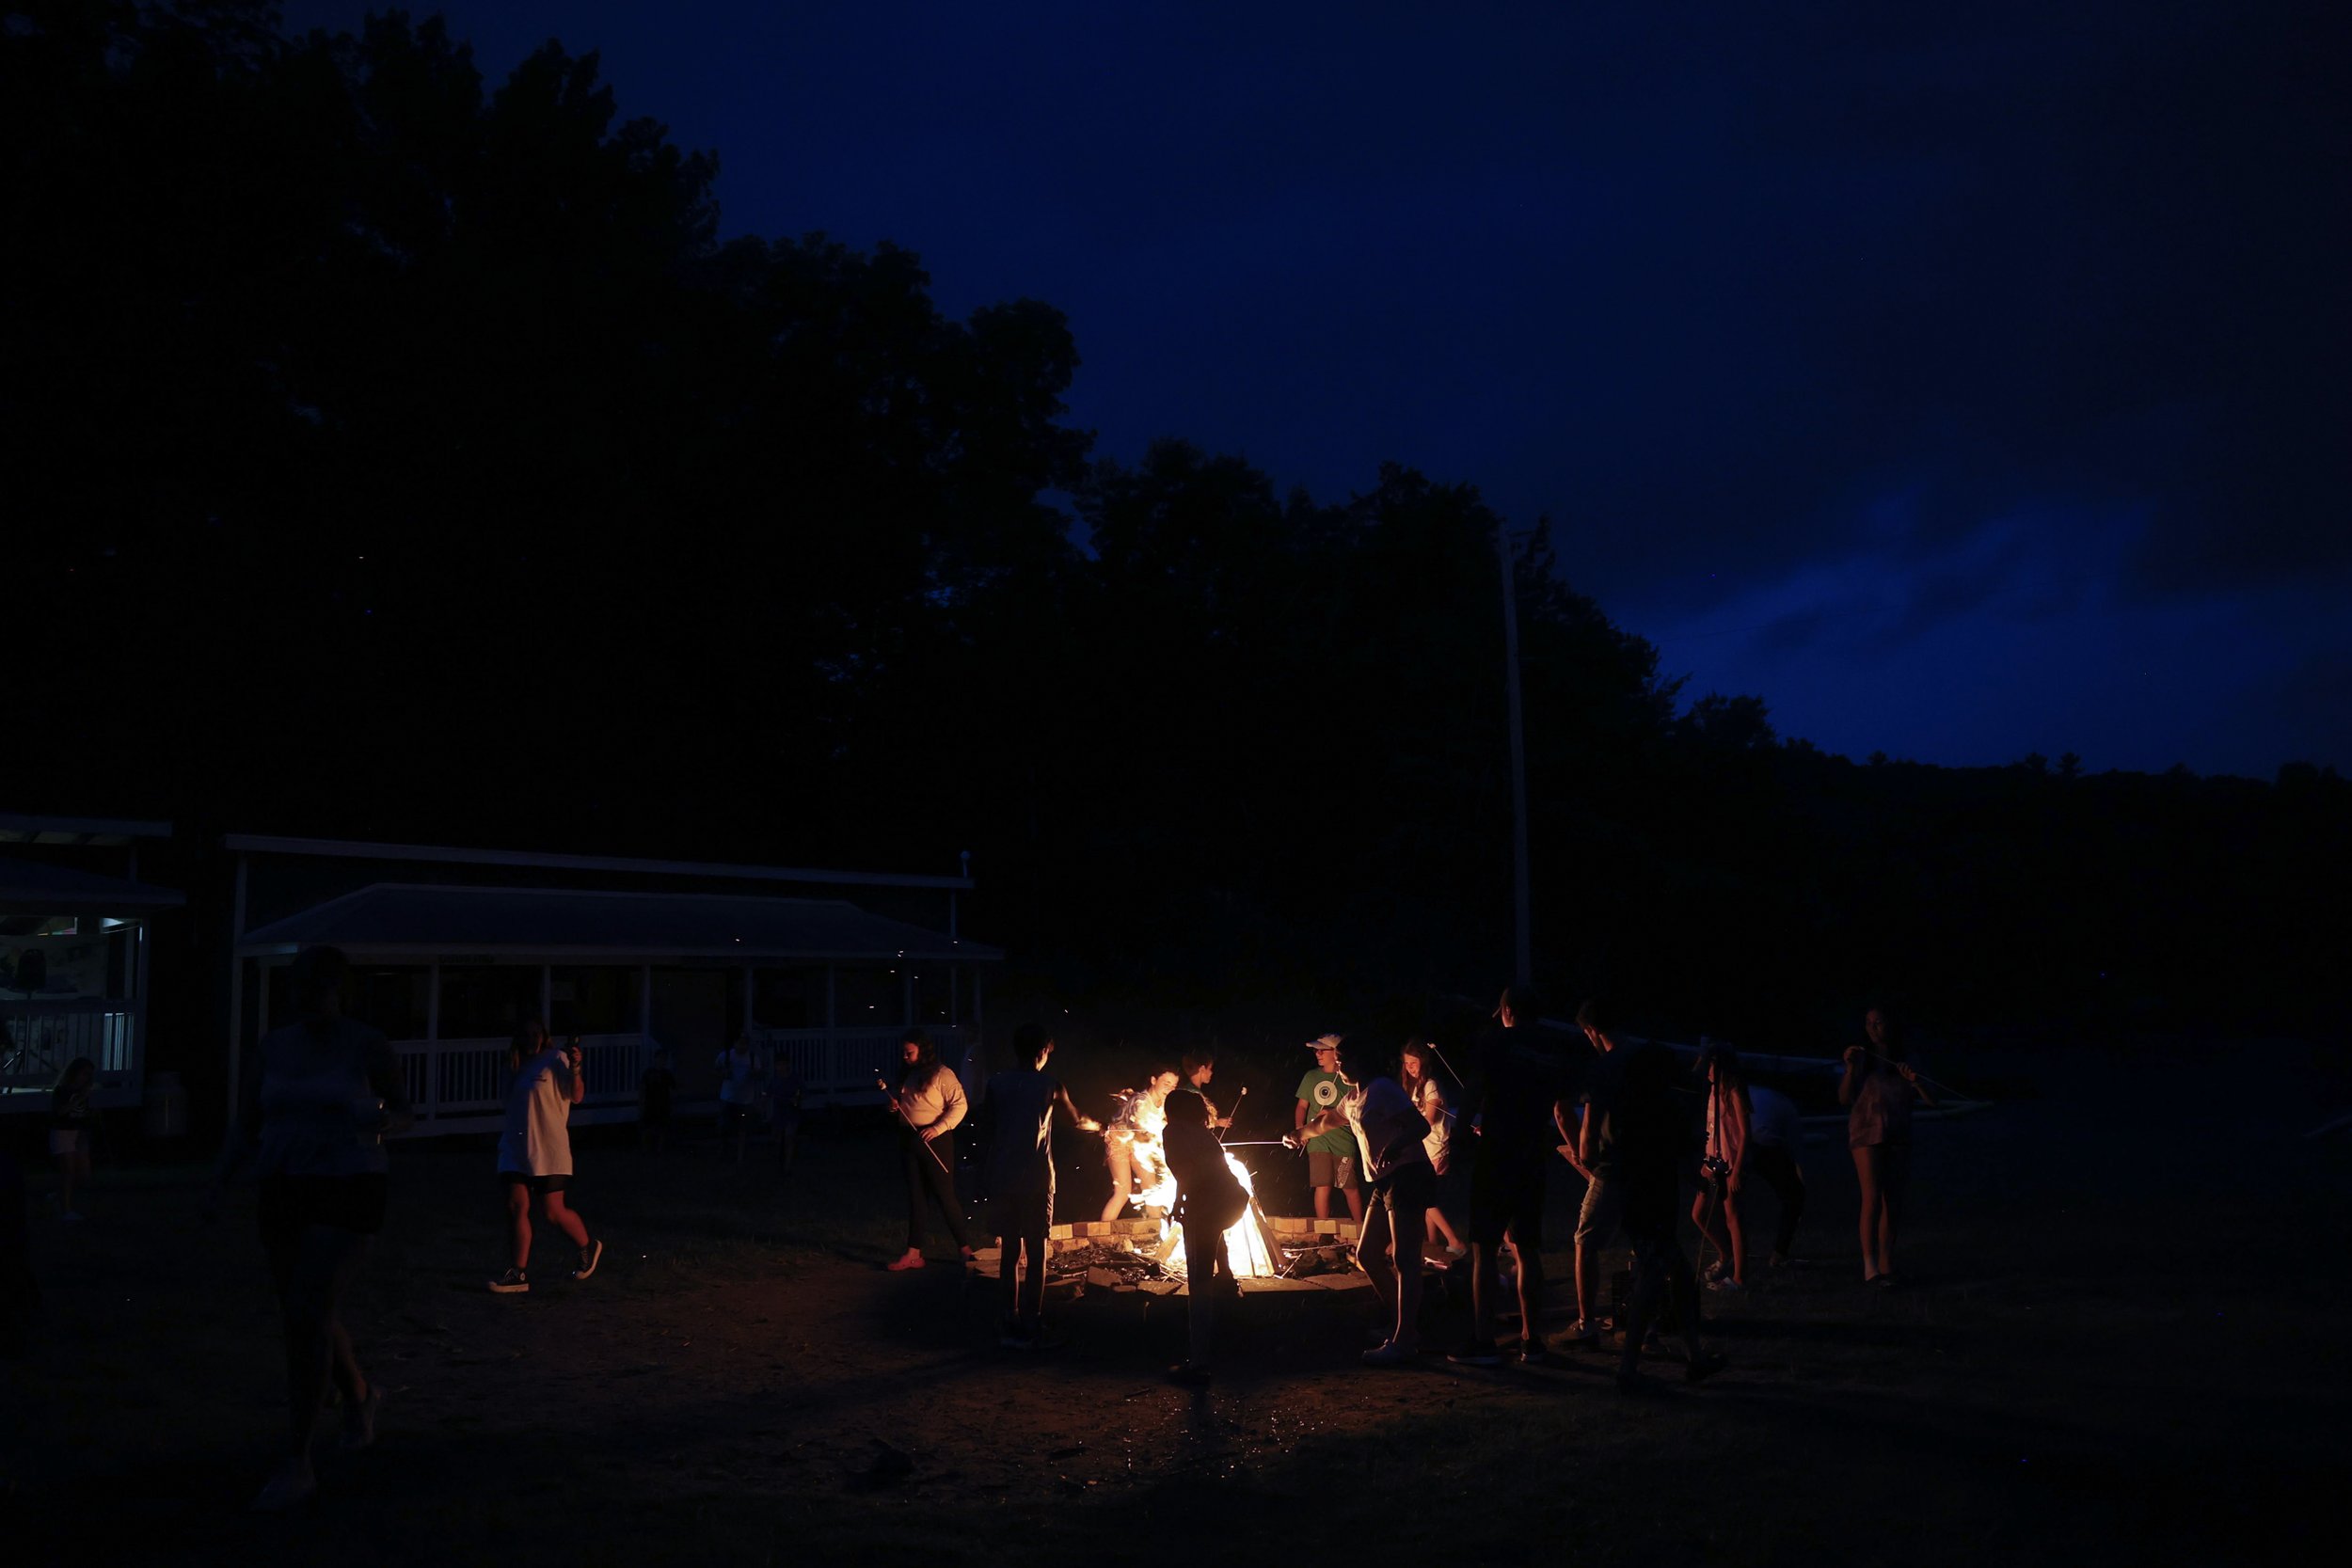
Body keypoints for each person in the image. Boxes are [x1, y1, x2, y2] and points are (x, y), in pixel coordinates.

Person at [205, 945, 413, 1512]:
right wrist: (220, 1181)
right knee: (306, 1314)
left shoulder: (365, 1044)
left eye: (319, 990)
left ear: (337, 992)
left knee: (307, 1311)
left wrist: (384, 1120)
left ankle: (298, 1461)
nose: (310, 1001)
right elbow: (247, 1122)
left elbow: (403, 1107)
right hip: (284, 1186)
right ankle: (361, 1397)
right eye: (301, 991)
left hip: (349, 1184)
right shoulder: (274, 1047)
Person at [1448, 988, 1569, 1367]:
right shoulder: (1552, 1048)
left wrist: (1460, 1133)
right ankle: (1532, 1340)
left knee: (1484, 1245)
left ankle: (1484, 1340)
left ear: (1506, 1010)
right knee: (1526, 1247)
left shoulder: (1495, 1040)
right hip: (1532, 1153)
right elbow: (1560, 1106)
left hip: (1498, 1151)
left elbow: (1474, 1091)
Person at [1606, 1022, 1728, 1393]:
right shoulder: (1663, 1109)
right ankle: (1629, 1367)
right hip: (1654, 1204)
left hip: (1637, 1201)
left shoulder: (1630, 1107)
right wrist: (1705, 1178)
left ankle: (1694, 1358)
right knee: (1651, 1281)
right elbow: (1681, 1160)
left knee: (1676, 1278)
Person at [982, 1022, 1100, 1349]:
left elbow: (988, 1127)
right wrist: (1099, 1127)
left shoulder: (997, 1083)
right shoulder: (1051, 1085)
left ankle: (1009, 1316)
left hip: (1003, 1176)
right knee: (1036, 1253)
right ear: (1042, 1051)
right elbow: (1077, 1120)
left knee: (1009, 1251)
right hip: (1037, 1178)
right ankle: (1032, 1320)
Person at [1341, 1038, 1437, 1367]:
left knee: (1405, 1258)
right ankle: (1404, 1327)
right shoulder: (1353, 1097)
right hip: (1384, 1181)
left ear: (1360, 1062)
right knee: (1367, 1254)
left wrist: (1395, 1145)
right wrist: (1299, 1134)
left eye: (1343, 1060)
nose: (1338, 1066)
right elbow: (1329, 1120)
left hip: (1408, 1173)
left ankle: (1404, 1340)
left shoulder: (1383, 1088)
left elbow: (1420, 1125)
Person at [490, 1022, 603, 1293]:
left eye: (535, 1034)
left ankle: (587, 1246)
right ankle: (518, 1274)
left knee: (552, 1212)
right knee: (517, 1206)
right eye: (525, 1035)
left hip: (548, 1149)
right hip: (516, 1147)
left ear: (543, 1037)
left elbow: (576, 1095)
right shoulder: (516, 1066)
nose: (531, 1039)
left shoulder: (556, 1059)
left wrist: (575, 1067)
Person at [1840, 1004, 1937, 1285]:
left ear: (1891, 1025)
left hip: (1898, 1132)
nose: (1872, 1028)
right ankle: (1869, 1266)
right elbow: (1844, 1099)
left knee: (1892, 1202)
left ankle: (1886, 1265)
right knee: (1872, 1197)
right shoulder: (1862, 1059)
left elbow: (1933, 1100)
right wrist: (1849, 1069)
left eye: (1878, 1022)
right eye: (1868, 1022)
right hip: (1866, 1132)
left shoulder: (1908, 1057)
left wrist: (1916, 1082)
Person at [1164, 1089, 1248, 1383]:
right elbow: (1187, 1173)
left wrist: (1183, 1205)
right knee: (1214, 1233)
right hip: (1233, 1199)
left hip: (1210, 1203)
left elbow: (1185, 1172)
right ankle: (1225, 1278)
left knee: (1197, 1282)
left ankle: (1198, 1363)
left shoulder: (1172, 1131)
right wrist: (1179, 1201)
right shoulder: (1202, 1132)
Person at [1564, 998, 1628, 1350]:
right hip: (1641, 1164)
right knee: (1648, 1241)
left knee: (1585, 1240)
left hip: (1610, 1167)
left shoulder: (1602, 1068)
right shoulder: (1641, 1060)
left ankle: (1586, 1322)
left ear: (1591, 1030)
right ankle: (1644, 1323)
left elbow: (1584, 1123)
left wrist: (1583, 1156)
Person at [885, 1028, 977, 1270]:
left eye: (909, 1053)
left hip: (935, 1140)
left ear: (922, 1051)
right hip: (909, 1138)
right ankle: (913, 1253)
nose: (905, 1057)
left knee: (945, 1196)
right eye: (903, 1053)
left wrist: (939, 1128)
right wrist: (896, 1105)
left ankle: (965, 1250)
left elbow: (960, 1105)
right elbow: (911, 1102)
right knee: (916, 1197)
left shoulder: (941, 1074)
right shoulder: (909, 1074)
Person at [1396, 1037, 1468, 1262]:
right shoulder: (1414, 1086)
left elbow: (1431, 1118)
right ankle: (1433, 1244)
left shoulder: (1431, 1085)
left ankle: (1455, 1242)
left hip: (1436, 1147)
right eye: (1407, 1064)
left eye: (1414, 1063)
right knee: (1428, 1198)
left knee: (1424, 1200)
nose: (1410, 1068)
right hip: (1424, 1148)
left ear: (1423, 1062)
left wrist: (1406, 1130)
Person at [1692, 1043, 1753, 1291]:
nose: (1707, 1070)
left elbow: (1745, 1134)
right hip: (1714, 1162)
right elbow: (1713, 1129)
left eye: (1711, 1065)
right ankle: (1725, 1255)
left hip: (1731, 1162)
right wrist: (1707, 1162)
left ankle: (1739, 1277)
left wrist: (1737, 1169)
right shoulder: (1713, 1092)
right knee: (1699, 1213)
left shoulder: (1733, 1092)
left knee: (1732, 1217)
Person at [1293, 1035, 1361, 1225]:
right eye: (1316, 1050)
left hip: (1343, 1141)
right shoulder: (1311, 1076)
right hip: (1318, 1141)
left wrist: (1333, 1112)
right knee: (1322, 1185)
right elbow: (1301, 1106)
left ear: (1336, 1053)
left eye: (1323, 1050)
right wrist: (1300, 1129)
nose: (1318, 1053)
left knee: (1349, 1186)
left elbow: (1354, 1109)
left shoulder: (1347, 1079)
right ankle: (1323, 1231)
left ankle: (1361, 1228)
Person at [1101, 1066, 1181, 1225]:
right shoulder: (1141, 1101)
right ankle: (1101, 1235)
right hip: (1120, 1141)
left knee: (1151, 1189)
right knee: (1122, 1191)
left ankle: (1157, 1230)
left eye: (1173, 1086)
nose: (1170, 1089)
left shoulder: (1165, 1104)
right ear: (1153, 1080)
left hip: (1141, 1146)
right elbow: (1141, 1132)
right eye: (1166, 1083)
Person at [1745, 1078, 1808, 1267]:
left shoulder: (1748, 1090)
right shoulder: (1786, 1105)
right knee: (1793, 1197)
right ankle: (1779, 1253)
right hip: (1763, 1144)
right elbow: (1795, 1149)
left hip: (1738, 1145)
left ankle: (1729, 1249)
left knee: (1730, 1200)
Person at [49, 1056, 96, 1222]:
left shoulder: (82, 1092)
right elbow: (60, 1112)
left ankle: (60, 1197)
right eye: (84, 1074)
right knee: (68, 1170)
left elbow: (84, 1115)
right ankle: (66, 1210)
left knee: (81, 1172)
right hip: (63, 1132)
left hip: (78, 1133)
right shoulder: (63, 1091)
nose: (86, 1078)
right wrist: (80, 1099)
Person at [715, 1033, 766, 1164]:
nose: (743, 1046)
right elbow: (717, 1069)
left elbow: (761, 1076)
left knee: (742, 1129)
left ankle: (740, 1156)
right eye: (740, 1043)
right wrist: (724, 1074)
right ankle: (723, 1150)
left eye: (745, 1043)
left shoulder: (753, 1058)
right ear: (735, 1043)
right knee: (723, 1127)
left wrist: (755, 1074)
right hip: (727, 1098)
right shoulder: (725, 1055)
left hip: (745, 1100)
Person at [637, 1045, 677, 1153]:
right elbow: (642, 1089)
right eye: (660, 1058)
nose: (661, 1061)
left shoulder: (667, 1074)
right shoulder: (648, 1073)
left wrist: (672, 1104)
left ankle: (659, 1150)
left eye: (664, 1059)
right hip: (650, 1104)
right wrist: (641, 1104)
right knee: (647, 1128)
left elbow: (672, 1089)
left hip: (664, 1104)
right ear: (655, 1059)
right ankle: (645, 1150)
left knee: (662, 1128)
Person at [1181, 1050, 1232, 1130]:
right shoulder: (1193, 1094)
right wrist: (1217, 1122)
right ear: (1202, 1069)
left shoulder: (1185, 1091)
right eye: (1210, 1069)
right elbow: (1196, 1123)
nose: (1211, 1073)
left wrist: (1218, 1122)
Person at [771, 1054, 805, 1173]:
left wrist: (796, 1098)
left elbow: (803, 1092)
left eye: (783, 1064)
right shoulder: (775, 1079)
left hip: (791, 1112)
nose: (780, 1067)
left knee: (789, 1137)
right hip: (778, 1113)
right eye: (778, 1065)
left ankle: (787, 1165)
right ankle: (779, 1161)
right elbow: (767, 1091)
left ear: (788, 1065)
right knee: (778, 1138)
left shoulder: (795, 1079)